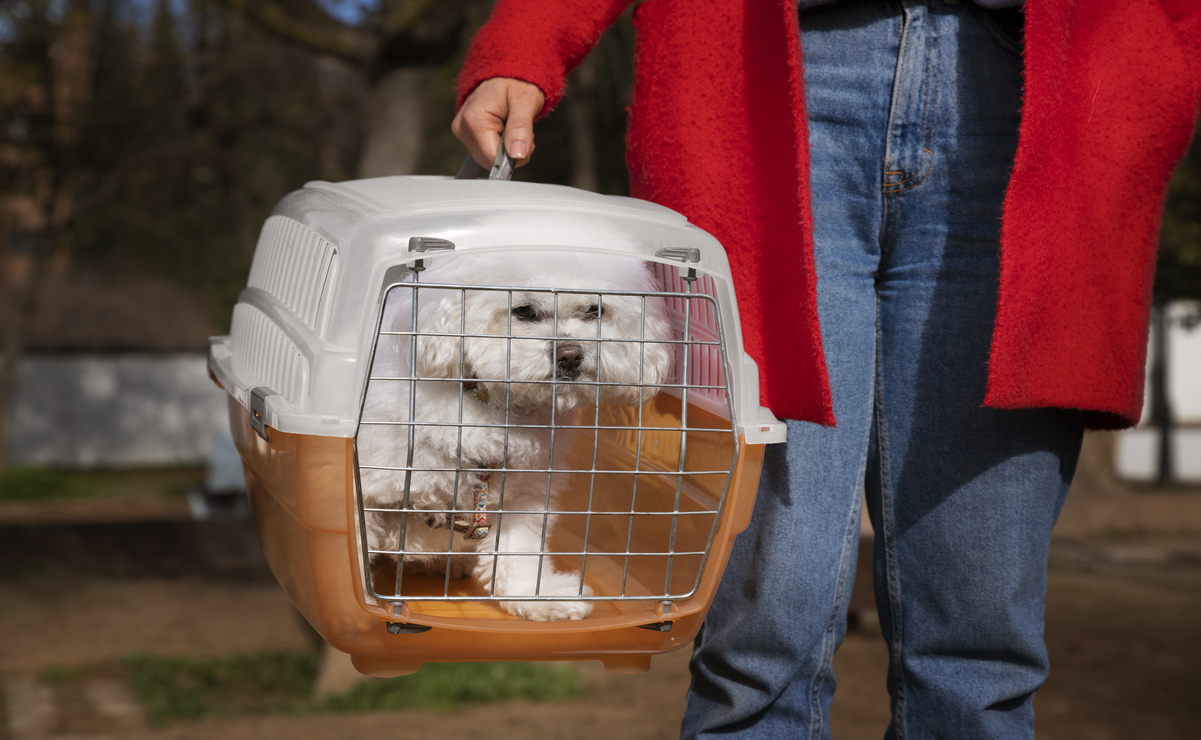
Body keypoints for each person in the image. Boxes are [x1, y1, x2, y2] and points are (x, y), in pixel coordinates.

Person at [452, 1, 1201, 737]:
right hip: (762, 95)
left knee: (979, 660)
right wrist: (523, 40)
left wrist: (1167, 68)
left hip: (1035, 101)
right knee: (759, 643)